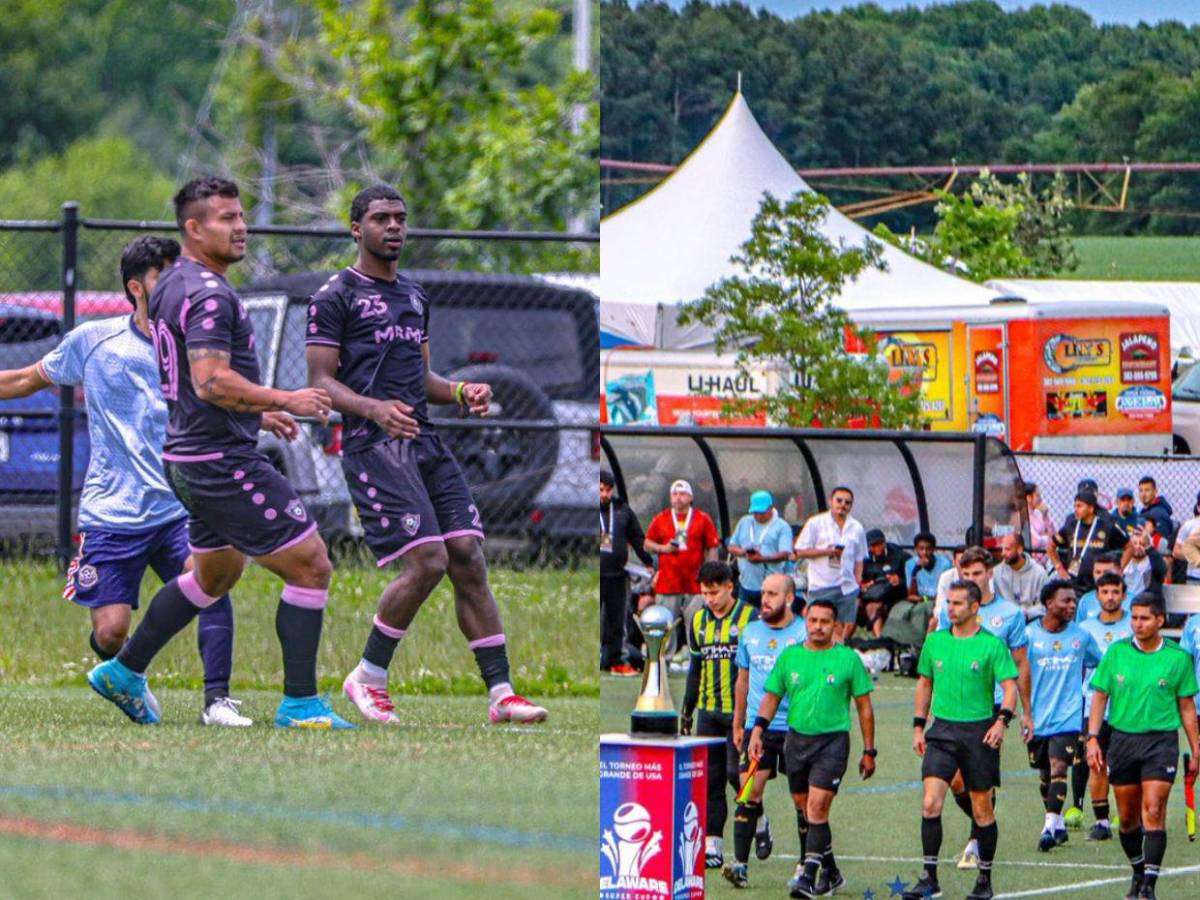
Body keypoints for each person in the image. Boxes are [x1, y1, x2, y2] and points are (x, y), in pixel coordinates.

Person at [87, 177, 347, 729]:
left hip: (189, 456)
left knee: (213, 575)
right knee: (310, 565)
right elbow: (208, 381)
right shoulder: (206, 291)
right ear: (193, 227)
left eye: (241, 216)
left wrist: (257, 411)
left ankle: (124, 671)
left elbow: (192, 380)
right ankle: (301, 704)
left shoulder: (173, 285)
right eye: (226, 218)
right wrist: (286, 397)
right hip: (221, 460)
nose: (240, 227)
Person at [305, 185, 546, 725]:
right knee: (429, 561)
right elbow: (320, 383)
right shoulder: (334, 296)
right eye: (381, 218)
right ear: (356, 229)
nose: (394, 227)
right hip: (374, 447)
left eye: (401, 218)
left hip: (425, 442)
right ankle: (368, 676)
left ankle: (502, 694)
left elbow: (422, 378)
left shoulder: (414, 295)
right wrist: (373, 410)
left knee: (467, 553)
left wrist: (462, 392)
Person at [0, 236, 248, 727]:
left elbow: (234, 396)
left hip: (180, 503)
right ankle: (126, 676)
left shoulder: (199, 350)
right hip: (112, 511)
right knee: (111, 632)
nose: (182, 287)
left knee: (212, 579)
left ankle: (217, 701)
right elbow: (25, 379)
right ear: (136, 287)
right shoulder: (93, 341)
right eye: (166, 277)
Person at [748, 597, 875, 900]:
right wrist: (757, 730)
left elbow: (864, 708)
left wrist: (870, 750)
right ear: (806, 622)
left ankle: (807, 875)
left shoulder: (848, 660)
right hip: (797, 741)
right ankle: (831, 872)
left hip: (832, 742)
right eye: (813, 620)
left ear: (836, 626)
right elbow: (772, 696)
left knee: (817, 807)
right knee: (804, 809)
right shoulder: (790, 657)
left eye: (824, 622)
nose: (818, 627)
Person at [901, 580, 1018, 900]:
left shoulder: (992, 645)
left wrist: (1002, 722)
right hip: (942, 732)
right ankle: (929, 877)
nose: (950, 609)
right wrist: (917, 727)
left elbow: (1010, 687)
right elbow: (924, 684)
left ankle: (984, 880)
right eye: (948, 603)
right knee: (930, 803)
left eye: (957, 604)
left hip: (978, 733)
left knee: (982, 811)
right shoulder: (935, 642)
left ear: (974, 607)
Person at [1086, 592, 1200, 900]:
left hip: (1160, 742)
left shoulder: (1177, 658)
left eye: (1144, 618)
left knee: (1154, 808)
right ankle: (1138, 872)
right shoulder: (1116, 653)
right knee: (1127, 817)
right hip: (1122, 740)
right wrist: (1093, 737)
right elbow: (1099, 696)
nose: (1137, 624)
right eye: (1134, 618)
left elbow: (1187, 706)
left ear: (1160, 620)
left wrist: (1196, 748)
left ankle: (1149, 885)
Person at [931, 546, 1032, 869]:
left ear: (990, 573)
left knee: (980, 780)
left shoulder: (1010, 614)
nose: (971, 578)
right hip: (952, 712)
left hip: (990, 712)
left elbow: (1020, 665)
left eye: (977, 573)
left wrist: (1024, 712)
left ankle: (977, 840)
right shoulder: (952, 611)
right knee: (955, 781)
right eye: (966, 573)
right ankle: (980, 824)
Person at [726, 573, 809, 890]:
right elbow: (743, 679)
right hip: (757, 728)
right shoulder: (750, 632)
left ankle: (807, 863)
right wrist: (739, 723)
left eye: (773, 593)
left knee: (803, 801)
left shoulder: (804, 631)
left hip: (797, 728)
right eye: (763, 593)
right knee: (748, 793)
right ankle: (741, 866)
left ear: (789, 598)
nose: (765, 599)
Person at [680, 560, 758, 869]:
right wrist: (687, 711)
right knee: (709, 780)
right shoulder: (698, 620)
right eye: (704, 593)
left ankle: (758, 813)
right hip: (709, 712)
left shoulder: (750, 618)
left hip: (740, 713)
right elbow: (695, 668)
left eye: (715, 593)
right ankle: (713, 843)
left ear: (730, 587)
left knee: (733, 774)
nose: (710, 599)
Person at [1024, 580, 1101, 852]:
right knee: (1045, 775)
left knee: (1059, 768)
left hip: (1068, 716)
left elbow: (1098, 662)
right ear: (1048, 604)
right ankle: (1057, 826)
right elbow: (1018, 673)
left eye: (1074, 602)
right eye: (1065, 601)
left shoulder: (1081, 637)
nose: (1071, 606)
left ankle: (1048, 827)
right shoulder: (1029, 636)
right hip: (1036, 717)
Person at [1072, 571, 1133, 839]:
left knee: (1125, 764)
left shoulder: (1134, 625)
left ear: (1123, 595)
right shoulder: (1085, 629)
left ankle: (1129, 813)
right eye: (1105, 592)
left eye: (1115, 592)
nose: (1110, 597)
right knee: (1096, 761)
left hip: (1128, 707)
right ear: (1097, 596)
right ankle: (1102, 821)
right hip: (1094, 708)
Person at [644, 478, 720, 660]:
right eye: (675, 494)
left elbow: (712, 545)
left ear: (691, 497)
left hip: (694, 581)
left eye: (683, 494)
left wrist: (710, 573)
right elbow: (647, 543)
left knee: (694, 621)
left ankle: (695, 657)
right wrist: (663, 549)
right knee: (667, 621)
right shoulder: (661, 518)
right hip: (669, 580)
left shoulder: (702, 518)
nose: (678, 498)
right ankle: (663, 659)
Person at [794, 486, 867, 642]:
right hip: (822, 585)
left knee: (843, 627)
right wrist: (826, 552)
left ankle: (838, 656)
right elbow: (800, 551)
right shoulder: (815, 523)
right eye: (839, 501)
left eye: (847, 502)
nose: (842, 505)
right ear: (830, 501)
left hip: (847, 586)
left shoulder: (857, 528)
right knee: (817, 625)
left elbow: (859, 559)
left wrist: (858, 583)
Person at [599, 471, 653, 675]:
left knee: (616, 619)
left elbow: (637, 538)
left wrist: (648, 561)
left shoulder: (622, 510)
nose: (604, 494)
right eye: (601, 490)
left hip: (617, 574)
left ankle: (615, 660)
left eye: (608, 490)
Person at [1048, 489, 1129, 591]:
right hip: (1074, 582)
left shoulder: (1106, 526)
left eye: (1079, 506)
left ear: (1091, 508)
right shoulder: (1071, 525)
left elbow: (1129, 546)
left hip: (1099, 583)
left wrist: (1119, 568)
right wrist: (1059, 567)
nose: (1076, 509)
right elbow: (1050, 547)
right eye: (1075, 506)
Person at [727, 490, 794, 609]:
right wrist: (743, 552)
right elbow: (731, 546)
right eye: (755, 512)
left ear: (771, 508)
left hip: (770, 586)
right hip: (745, 584)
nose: (758, 516)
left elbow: (785, 554)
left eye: (761, 512)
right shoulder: (744, 522)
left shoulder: (782, 527)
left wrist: (763, 558)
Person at [859, 529, 910, 638]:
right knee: (859, 606)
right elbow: (858, 580)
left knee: (874, 607)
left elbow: (912, 579)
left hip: (896, 594)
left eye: (880, 544)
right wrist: (864, 585)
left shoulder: (900, 556)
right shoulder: (864, 560)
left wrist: (899, 580)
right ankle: (878, 639)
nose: (877, 548)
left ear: (884, 542)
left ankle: (880, 639)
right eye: (873, 545)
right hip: (874, 595)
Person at [993, 532, 1048, 619]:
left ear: (1020, 549)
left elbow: (1044, 605)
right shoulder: (997, 572)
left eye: (1007, 549)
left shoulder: (1039, 572)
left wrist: (1026, 614)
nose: (1002, 553)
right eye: (1002, 549)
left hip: (1032, 620)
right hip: (1006, 620)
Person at [1073, 551, 1126, 623]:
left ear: (1120, 572)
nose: (1101, 576)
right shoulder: (1085, 600)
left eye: (1107, 572)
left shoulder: (1132, 600)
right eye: (1098, 572)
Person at [905, 532, 953, 603]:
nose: (924, 552)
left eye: (928, 549)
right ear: (916, 549)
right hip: (920, 601)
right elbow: (911, 596)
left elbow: (947, 592)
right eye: (921, 549)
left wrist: (924, 599)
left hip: (938, 601)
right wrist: (915, 572)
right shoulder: (910, 564)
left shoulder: (945, 564)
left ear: (934, 549)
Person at [1123, 529, 1167, 599]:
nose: (1138, 547)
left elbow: (1161, 571)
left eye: (1142, 544)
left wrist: (1149, 548)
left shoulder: (1153, 561)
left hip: (1146, 602)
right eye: (1135, 543)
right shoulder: (1124, 561)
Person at [1026, 483, 1056, 560]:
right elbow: (1035, 542)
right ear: (1029, 498)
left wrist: (1045, 516)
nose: (1040, 499)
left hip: (1043, 560)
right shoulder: (1023, 516)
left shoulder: (1037, 516)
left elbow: (1053, 535)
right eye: (1037, 496)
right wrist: (1047, 538)